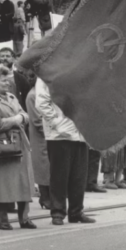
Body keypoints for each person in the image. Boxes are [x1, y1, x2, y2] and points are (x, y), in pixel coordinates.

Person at [34, 77, 94, 225]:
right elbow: (41, 103)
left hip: (80, 132)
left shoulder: (79, 72)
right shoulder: (47, 74)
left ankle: (76, 212)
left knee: (79, 176)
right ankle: (58, 213)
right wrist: (56, 123)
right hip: (58, 135)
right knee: (59, 176)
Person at [0, 64, 36, 230]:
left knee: (24, 182)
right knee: (3, 184)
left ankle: (24, 218)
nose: (8, 83)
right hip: (3, 147)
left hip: (21, 144)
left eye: (8, 80)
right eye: (3, 80)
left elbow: (26, 115)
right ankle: (3, 219)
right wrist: (16, 120)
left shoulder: (12, 97)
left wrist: (20, 118)